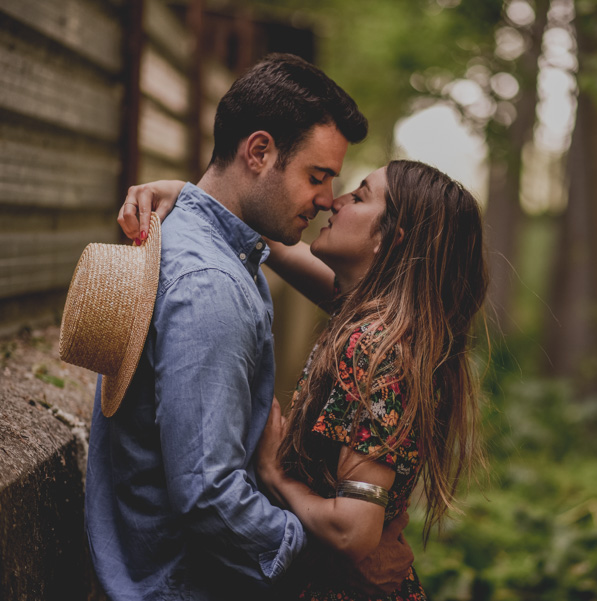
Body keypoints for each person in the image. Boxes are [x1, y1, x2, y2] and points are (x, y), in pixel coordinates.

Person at [87, 53, 411, 601]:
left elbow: (340, 285)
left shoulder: (209, 246)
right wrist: (319, 561)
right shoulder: (213, 284)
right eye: (318, 176)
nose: (329, 199)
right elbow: (208, 493)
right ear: (259, 151)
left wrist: (188, 193)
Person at [125, 159, 489, 600]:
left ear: (391, 240)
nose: (335, 200)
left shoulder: (377, 348)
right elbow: (269, 243)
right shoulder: (370, 314)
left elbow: (351, 531)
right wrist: (194, 195)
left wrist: (277, 477)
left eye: (359, 196)